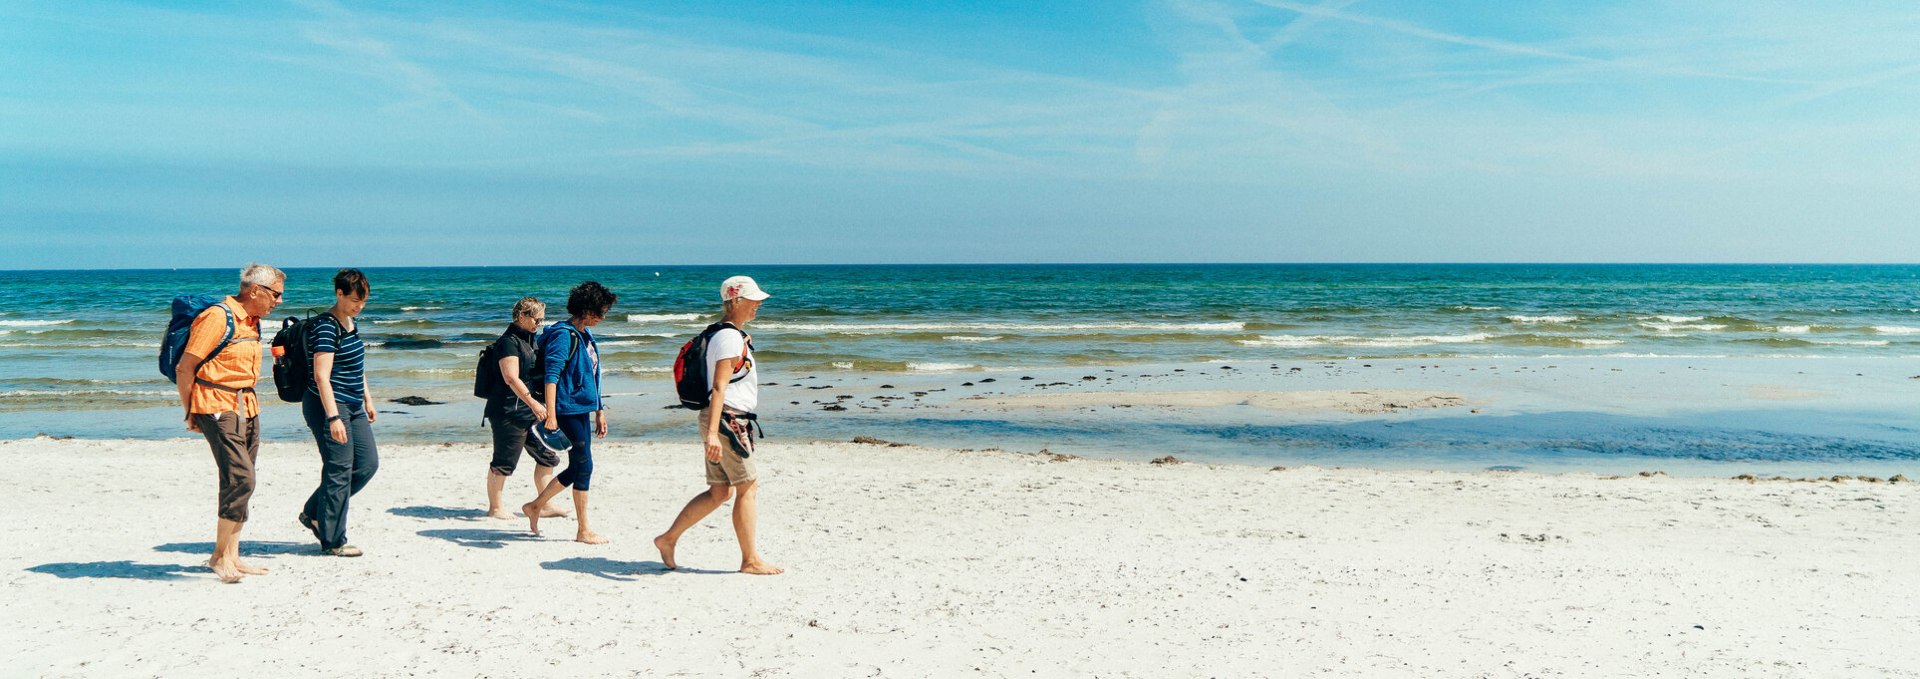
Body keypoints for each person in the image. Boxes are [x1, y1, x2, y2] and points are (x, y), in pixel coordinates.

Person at [655, 275, 783, 575]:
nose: (758, 305)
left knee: (720, 492)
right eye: (753, 300)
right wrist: (713, 433)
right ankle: (750, 560)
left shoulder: (724, 334)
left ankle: (668, 538)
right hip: (727, 420)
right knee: (747, 487)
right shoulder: (728, 338)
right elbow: (720, 386)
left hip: (722, 419)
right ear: (736, 301)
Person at [175, 263, 284, 583]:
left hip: (247, 406)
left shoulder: (252, 322)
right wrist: (190, 411)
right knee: (242, 479)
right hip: (217, 405)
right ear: (256, 291)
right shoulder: (217, 317)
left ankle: (233, 556)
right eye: (275, 295)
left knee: (236, 482)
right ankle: (219, 556)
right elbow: (185, 368)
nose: (278, 302)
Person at [522, 281, 615, 544]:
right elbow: (552, 376)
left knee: (580, 466)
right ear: (586, 309)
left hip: (581, 408)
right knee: (584, 466)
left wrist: (599, 410)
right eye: (600, 311)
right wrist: (551, 414)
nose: (603, 317)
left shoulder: (584, 334)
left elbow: (593, 375)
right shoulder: (564, 335)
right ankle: (582, 529)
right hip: (565, 409)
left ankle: (536, 506)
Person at [298, 269, 380, 557]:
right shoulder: (326, 326)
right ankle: (333, 541)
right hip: (328, 405)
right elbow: (322, 376)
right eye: (355, 300)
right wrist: (333, 418)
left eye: (364, 301)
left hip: (354, 404)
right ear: (339, 294)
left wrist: (368, 399)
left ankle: (313, 512)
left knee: (367, 465)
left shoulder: (349, 322)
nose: (360, 306)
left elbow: (356, 366)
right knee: (338, 471)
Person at [484, 297, 566, 520]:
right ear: (522, 316)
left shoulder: (531, 340)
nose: (539, 324)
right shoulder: (508, 342)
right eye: (536, 320)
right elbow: (511, 378)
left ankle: (545, 504)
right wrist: (534, 404)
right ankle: (495, 508)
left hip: (530, 410)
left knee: (547, 456)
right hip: (508, 410)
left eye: (541, 320)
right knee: (504, 461)